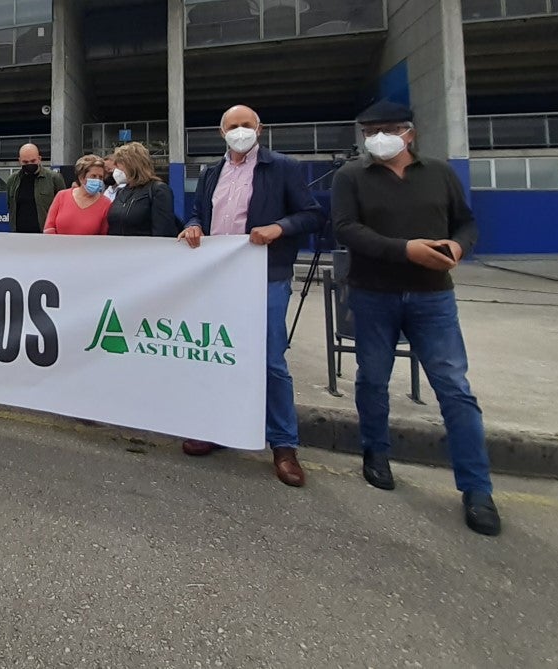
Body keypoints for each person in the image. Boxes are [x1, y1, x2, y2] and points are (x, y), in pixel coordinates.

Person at [332, 100, 500, 536]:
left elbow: (466, 223)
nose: (376, 137)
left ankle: (477, 488)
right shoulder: (352, 176)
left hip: (432, 298)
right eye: (369, 130)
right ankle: (375, 453)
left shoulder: (440, 173)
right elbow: (347, 229)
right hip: (373, 294)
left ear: (409, 133)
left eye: (385, 129)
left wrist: (459, 248)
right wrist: (405, 249)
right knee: (372, 378)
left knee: (454, 388)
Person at [176, 105, 325, 487]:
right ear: (220, 132)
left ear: (259, 128)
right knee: (216, 354)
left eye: (246, 125)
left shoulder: (283, 168)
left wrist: (279, 227)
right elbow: (196, 214)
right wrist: (192, 227)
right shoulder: (211, 172)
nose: (240, 131)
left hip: (266, 276)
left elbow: (311, 215)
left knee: (270, 359)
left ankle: (284, 445)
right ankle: (215, 427)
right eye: (232, 126)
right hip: (218, 277)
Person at [106, 142, 178, 237]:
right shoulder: (121, 192)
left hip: (144, 249)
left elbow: (163, 231)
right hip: (119, 249)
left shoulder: (158, 190)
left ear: (132, 165)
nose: (115, 170)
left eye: (118, 165)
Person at [44, 154, 110, 235]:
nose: (98, 180)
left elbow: (104, 235)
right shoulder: (61, 196)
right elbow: (49, 227)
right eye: (93, 176)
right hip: (59, 246)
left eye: (100, 177)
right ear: (81, 177)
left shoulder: (106, 203)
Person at [6, 143, 65, 233]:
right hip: (18, 235)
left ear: (39, 159)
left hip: (45, 234)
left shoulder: (54, 178)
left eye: (33, 161)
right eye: (25, 162)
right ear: (20, 161)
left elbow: (63, 208)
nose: (29, 164)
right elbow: (10, 206)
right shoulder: (12, 180)